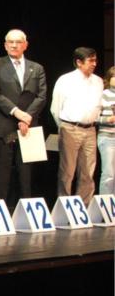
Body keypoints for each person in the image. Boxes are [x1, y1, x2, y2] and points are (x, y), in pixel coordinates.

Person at [0, 29, 47, 206]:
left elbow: (42, 96)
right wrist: (16, 112)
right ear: (5, 45)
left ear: (25, 45)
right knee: (2, 173)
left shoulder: (37, 68)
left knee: (26, 174)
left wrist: (27, 117)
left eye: (18, 42)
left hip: (28, 126)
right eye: (10, 42)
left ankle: (26, 211)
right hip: (4, 125)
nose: (14, 45)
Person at [50, 47, 103, 204]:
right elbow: (55, 108)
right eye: (90, 61)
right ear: (79, 62)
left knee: (88, 170)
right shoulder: (65, 80)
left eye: (95, 60)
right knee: (67, 171)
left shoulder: (98, 81)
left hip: (90, 129)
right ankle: (64, 205)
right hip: (70, 128)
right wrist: (63, 127)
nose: (94, 64)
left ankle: (84, 206)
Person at [97, 66, 115, 195]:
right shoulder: (102, 95)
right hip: (108, 138)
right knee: (109, 174)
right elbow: (93, 117)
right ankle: (106, 203)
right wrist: (108, 119)